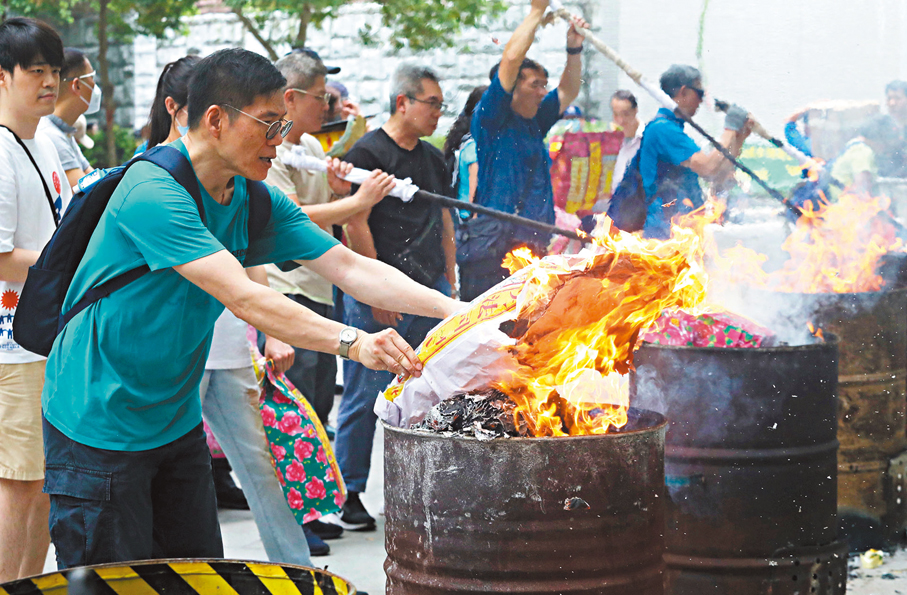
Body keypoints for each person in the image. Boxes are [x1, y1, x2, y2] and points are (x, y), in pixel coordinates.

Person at [40, 47, 461, 568]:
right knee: (111, 583)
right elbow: (244, 296)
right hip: (96, 426)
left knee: (197, 577)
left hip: (173, 425)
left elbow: (350, 268)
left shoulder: (251, 197)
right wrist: (355, 342)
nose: (278, 141)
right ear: (215, 120)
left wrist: (460, 311)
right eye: (267, 124)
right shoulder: (151, 192)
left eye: (282, 124)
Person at [265, 49, 396, 551]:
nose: (327, 106)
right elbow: (292, 215)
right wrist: (356, 202)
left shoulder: (312, 150)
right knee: (292, 411)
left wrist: (344, 191)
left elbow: (329, 211)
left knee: (318, 408)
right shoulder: (271, 150)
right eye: (321, 97)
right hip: (289, 292)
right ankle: (292, 522)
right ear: (291, 98)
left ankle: (313, 508)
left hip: (321, 291)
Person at [333, 64, 457, 531]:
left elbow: (444, 220)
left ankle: (417, 486)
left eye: (442, 106)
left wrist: (449, 281)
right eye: (432, 104)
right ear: (402, 102)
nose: (438, 114)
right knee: (364, 394)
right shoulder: (367, 153)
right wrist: (373, 293)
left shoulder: (432, 157)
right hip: (379, 293)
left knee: (430, 388)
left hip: (430, 292)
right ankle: (348, 492)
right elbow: (355, 221)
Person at [0, 17, 70, 581]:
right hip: (12, 348)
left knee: (44, 482)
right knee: (19, 484)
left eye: (54, 69)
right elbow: (1, 258)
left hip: (47, 335)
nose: (50, 82)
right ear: (3, 76)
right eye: (36, 70)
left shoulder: (43, 137)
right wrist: (73, 271)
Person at [462, 0, 586, 300]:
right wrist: (535, 12)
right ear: (511, 88)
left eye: (545, 84)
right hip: (494, 254)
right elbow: (510, 60)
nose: (544, 92)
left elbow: (568, 90)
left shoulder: (535, 121)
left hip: (533, 248)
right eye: (535, 85)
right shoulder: (493, 118)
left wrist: (573, 49)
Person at [638, 64, 751, 239]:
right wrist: (730, 129)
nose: (700, 101)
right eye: (699, 94)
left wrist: (739, 137)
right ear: (683, 92)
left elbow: (717, 174)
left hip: (683, 228)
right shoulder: (663, 129)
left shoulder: (674, 129)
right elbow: (708, 167)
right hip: (665, 233)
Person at [37, 48, 96, 189]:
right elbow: (88, 194)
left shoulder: (64, 131)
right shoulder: (50, 134)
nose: (94, 86)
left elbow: (94, 179)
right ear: (77, 85)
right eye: (91, 77)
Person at [828, 114, 901, 199]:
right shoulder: (863, 153)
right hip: (841, 204)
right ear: (880, 138)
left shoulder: (854, 145)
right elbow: (862, 189)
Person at [443, 84, 487, 222]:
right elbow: (476, 195)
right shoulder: (476, 147)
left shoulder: (465, 141)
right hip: (471, 220)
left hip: (460, 217)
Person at [609, 90, 641, 191]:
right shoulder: (610, 141)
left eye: (626, 114)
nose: (621, 121)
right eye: (616, 115)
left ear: (635, 111)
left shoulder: (649, 138)